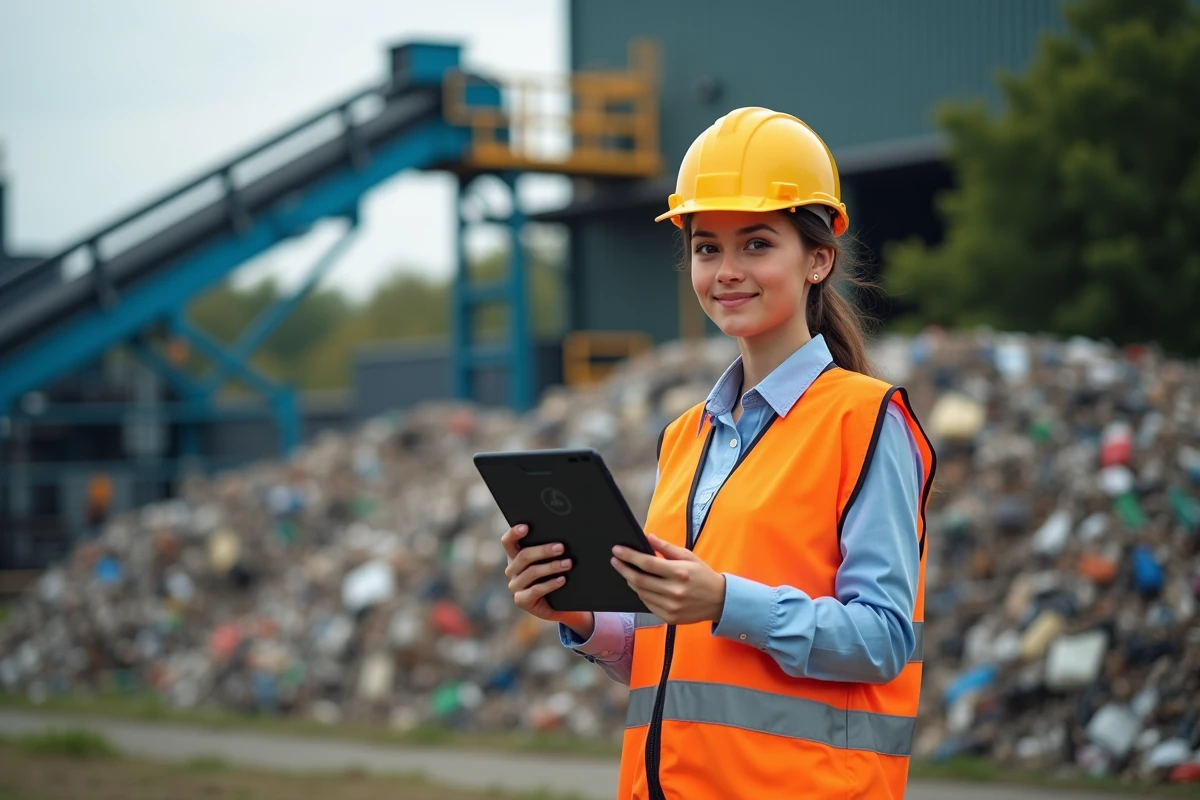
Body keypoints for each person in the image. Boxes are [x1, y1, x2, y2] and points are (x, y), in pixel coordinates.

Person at [501, 107, 936, 800]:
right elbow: (676, 651)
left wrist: (726, 600)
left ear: (819, 258)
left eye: (756, 244)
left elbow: (884, 640)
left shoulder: (865, 420)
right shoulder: (686, 436)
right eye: (707, 248)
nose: (727, 271)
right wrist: (581, 618)